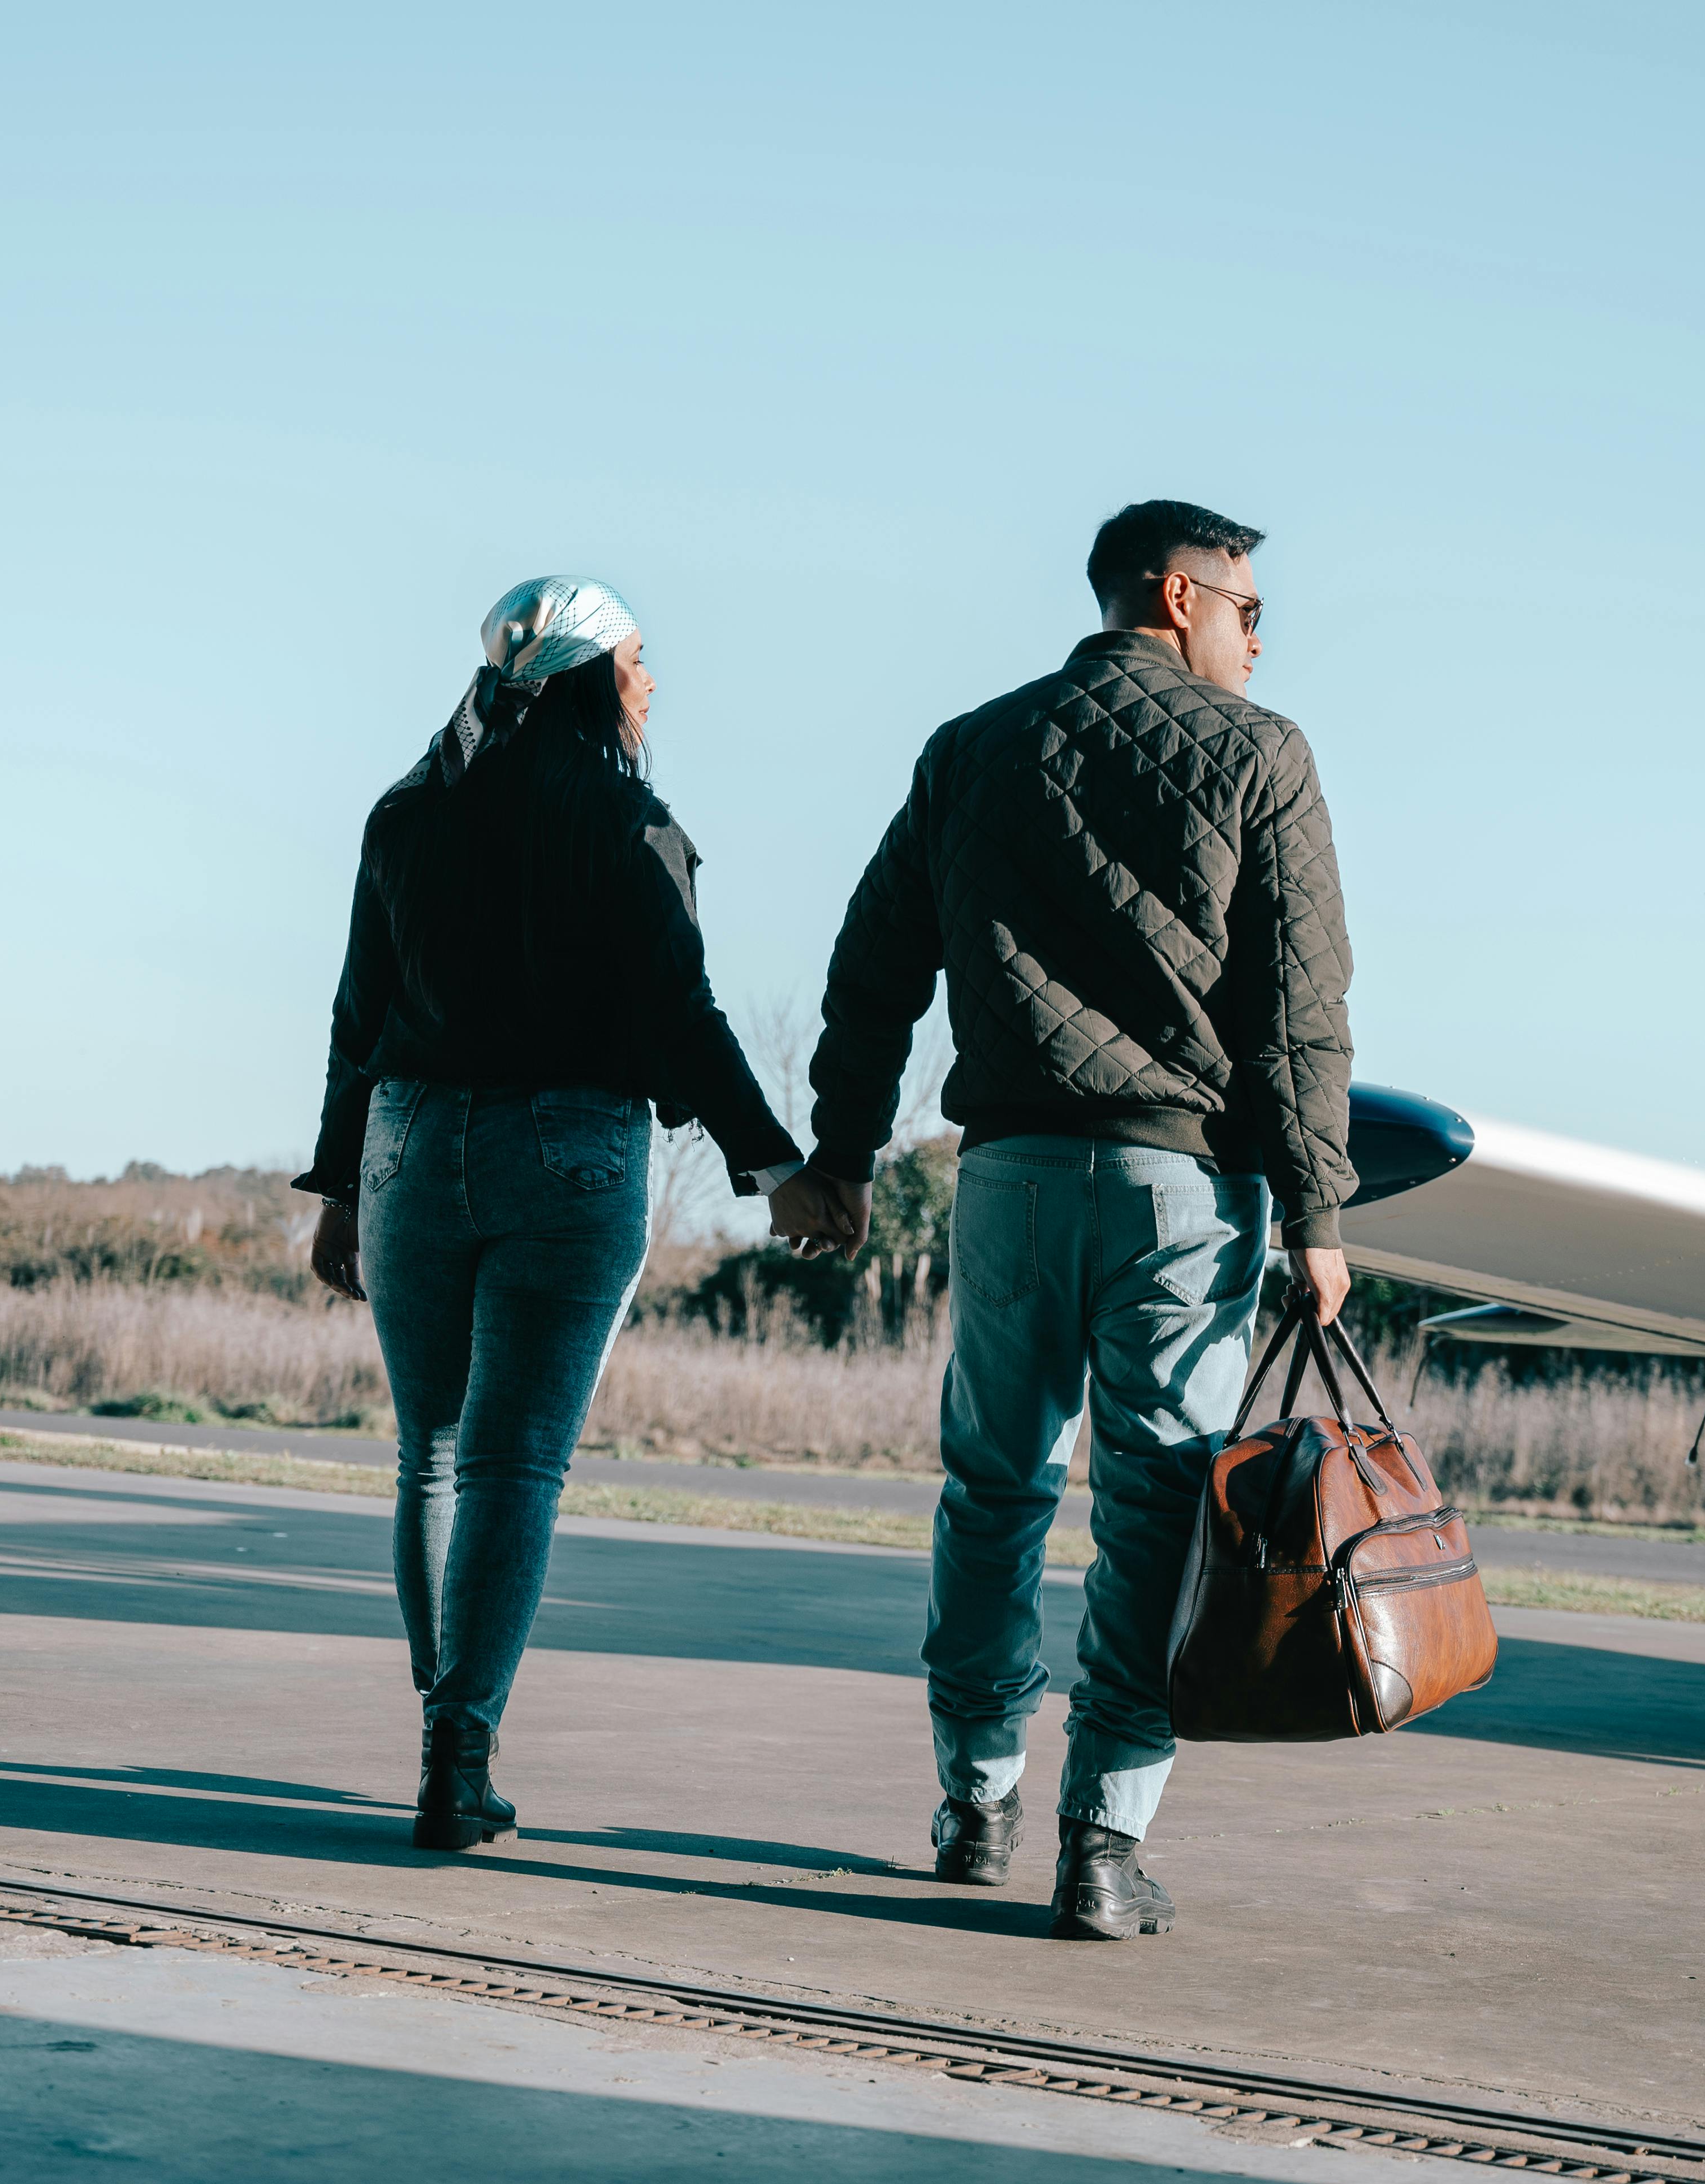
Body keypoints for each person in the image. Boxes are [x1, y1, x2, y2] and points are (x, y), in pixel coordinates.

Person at [803, 501, 1357, 1940]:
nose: (1259, 636)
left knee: (993, 1492)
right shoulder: (1264, 755)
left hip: (1008, 1178)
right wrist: (1318, 1210)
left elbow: (872, 970)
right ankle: (1103, 1844)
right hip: (1181, 1194)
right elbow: (1301, 1012)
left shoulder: (972, 745)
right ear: (1180, 598)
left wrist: (845, 1152)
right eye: (1249, 607)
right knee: (1160, 1515)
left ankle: (975, 1798)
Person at [299, 576, 853, 1850]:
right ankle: (461, 1746)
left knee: (429, 1454)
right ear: (591, 675)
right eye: (642, 660)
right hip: (570, 1150)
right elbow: (683, 1015)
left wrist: (339, 1188)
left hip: (409, 1143)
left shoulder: (406, 815)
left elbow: (355, 1017)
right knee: (511, 1464)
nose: (655, 682)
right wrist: (779, 1171)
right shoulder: (628, 820)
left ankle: (444, 1730)